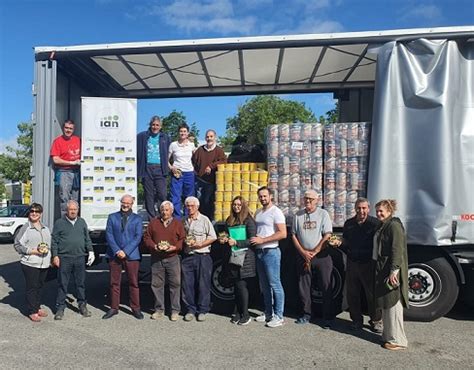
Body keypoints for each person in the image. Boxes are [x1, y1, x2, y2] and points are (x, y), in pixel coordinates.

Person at [337, 198, 383, 332]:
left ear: (368, 209)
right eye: (359, 208)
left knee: (372, 294)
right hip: (352, 262)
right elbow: (346, 241)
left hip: (368, 263)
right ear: (355, 209)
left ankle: (376, 320)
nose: (361, 211)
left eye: (364, 208)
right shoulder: (349, 224)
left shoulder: (375, 224)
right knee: (353, 294)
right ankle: (356, 320)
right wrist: (340, 243)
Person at [292, 189, 335, 328]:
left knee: (325, 285)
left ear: (317, 200)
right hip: (304, 256)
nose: (308, 201)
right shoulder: (298, 215)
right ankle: (306, 314)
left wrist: (316, 250)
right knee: (303, 286)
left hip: (321, 256)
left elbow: (327, 234)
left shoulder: (323, 214)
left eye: (311, 199)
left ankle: (327, 317)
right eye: (306, 198)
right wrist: (303, 252)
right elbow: (293, 235)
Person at [374, 199, 409, 351]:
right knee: (387, 303)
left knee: (394, 302)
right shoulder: (384, 225)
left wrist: (394, 270)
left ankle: (398, 340)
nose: (378, 214)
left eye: (381, 211)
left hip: (391, 270)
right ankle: (389, 336)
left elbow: (397, 249)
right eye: (377, 211)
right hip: (383, 269)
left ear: (389, 211)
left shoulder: (394, 226)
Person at [250, 186, 287, 328]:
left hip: (271, 251)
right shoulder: (258, 212)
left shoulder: (276, 212)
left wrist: (263, 240)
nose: (263, 198)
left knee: (275, 284)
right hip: (260, 252)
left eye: (265, 196)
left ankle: (279, 316)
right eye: (260, 196)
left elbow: (283, 233)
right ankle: (268, 313)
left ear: (271, 196)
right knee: (264, 285)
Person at [51, 200, 95, 320]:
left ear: (78, 210)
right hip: (64, 258)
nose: (73, 211)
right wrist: (55, 255)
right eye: (71, 209)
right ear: (67, 210)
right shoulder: (59, 223)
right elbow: (54, 241)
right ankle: (60, 307)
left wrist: (90, 251)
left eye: (75, 209)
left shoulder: (81, 222)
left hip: (80, 257)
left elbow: (87, 238)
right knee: (62, 284)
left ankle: (82, 305)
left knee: (80, 284)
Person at [103, 194, 144, 320]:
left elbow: (138, 237)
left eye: (128, 203)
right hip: (114, 254)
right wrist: (117, 250)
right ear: (120, 202)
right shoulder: (112, 217)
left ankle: (135, 308)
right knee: (114, 282)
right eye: (123, 202)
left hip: (131, 254)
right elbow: (109, 235)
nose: (125, 205)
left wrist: (125, 251)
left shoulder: (137, 219)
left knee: (133, 282)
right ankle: (114, 308)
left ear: (132, 204)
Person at [143, 201, 185, 321]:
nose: (164, 212)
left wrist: (175, 247)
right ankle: (159, 309)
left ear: (171, 211)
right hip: (157, 258)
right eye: (162, 210)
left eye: (167, 210)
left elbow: (182, 238)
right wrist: (154, 246)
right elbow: (147, 237)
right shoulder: (153, 223)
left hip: (173, 258)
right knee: (156, 285)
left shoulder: (177, 223)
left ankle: (175, 311)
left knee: (175, 284)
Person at [219, 196, 257, 326]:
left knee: (242, 285)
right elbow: (225, 235)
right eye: (234, 204)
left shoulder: (249, 220)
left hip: (245, 258)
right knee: (235, 285)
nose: (236, 207)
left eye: (239, 205)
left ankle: (245, 314)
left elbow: (252, 241)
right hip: (233, 256)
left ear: (243, 206)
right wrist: (223, 239)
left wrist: (237, 242)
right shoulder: (229, 220)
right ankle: (237, 312)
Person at [13, 203, 52, 322]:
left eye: (37, 211)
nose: (34, 213)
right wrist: (31, 251)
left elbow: (49, 245)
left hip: (44, 263)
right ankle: (32, 311)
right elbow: (17, 245)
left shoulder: (45, 228)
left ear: (41, 214)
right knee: (32, 287)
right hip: (30, 263)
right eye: (32, 211)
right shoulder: (26, 228)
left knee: (40, 286)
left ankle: (37, 306)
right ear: (29, 213)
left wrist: (51, 258)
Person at [181, 196, 217, 322]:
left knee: (203, 284)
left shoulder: (204, 219)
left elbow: (213, 237)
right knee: (187, 285)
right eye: (187, 206)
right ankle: (190, 309)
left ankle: (202, 310)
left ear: (197, 206)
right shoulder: (183, 220)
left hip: (202, 255)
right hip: (188, 256)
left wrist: (200, 244)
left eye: (192, 206)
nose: (189, 208)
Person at [137, 116, 171, 219]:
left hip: (160, 168)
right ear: (150, 125)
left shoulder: (165, 138)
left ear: (160, 126)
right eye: (153, 125)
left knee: (162, 194)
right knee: (149, 195)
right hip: (147, 168)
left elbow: (171, 153)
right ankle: (151, 218)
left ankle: (163, 216)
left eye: (157, 125)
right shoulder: (142, 136)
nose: (155, 127)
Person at [192, 129, 227, 220]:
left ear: (215, 138)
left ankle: (208, 222)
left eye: (211, 136)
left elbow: (224, 161)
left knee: (209, 203)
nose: (209, 138)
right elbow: (193, 162)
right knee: (199, 202)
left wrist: (211, 166)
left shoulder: (219, 151)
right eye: (207, 137)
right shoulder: (200, 150)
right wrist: (197, 173)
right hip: (200, 181)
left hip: (212, 182)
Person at [50, 119, 81, 216]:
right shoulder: (58, 141)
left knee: (76, 199)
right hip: (64, 172)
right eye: (66, 128)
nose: (68, 130)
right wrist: (72, 162)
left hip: (77, 172)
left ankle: (75, 221)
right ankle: (65, 221)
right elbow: (55, 159)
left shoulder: (78, 140)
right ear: (63, 128)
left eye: (71, 128)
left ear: (73, 129)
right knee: (65, 198)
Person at [168, 123, 196, 219]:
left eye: (184, 131)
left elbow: (197, 158)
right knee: (175, 197)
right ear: (178, 133)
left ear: (188, 133)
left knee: (189, 197)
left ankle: (188, 217)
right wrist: (171, 168)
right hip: (177, 173)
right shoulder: (173, 145)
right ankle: (177, 219)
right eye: (181, 131)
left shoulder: (192, 145)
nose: (182, 133)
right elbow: (166, 160)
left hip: (189, 173)